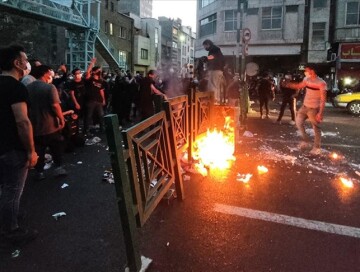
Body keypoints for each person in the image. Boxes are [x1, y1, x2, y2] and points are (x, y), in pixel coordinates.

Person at [0, 44, 39, 246]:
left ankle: (9, 216)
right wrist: (31, 150)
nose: (27, 63)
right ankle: (10, 230)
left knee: (4, 187)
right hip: (13, 148)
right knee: (12, 189)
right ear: (17, 63)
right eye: (24, 60)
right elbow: (22, 121)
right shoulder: (16, 87)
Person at [27, 65, 67, 180]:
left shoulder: (27, 88)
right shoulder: (50, 88)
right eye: (49, 71)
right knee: (56, 147)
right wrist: (61, 118)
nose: (51, 74)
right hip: (50, 125)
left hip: (34, 125)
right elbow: (55, 105)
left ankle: (39, 172)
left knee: (39, 149)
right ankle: (58, 168)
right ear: (44, 73)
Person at [285, 65, 327, 155]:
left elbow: (323, 99)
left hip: (314, 109)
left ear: (312, 71)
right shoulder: (306, 79)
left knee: (316, 128)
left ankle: (317, 147)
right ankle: (306, 141)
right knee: (298, 122)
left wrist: (320, 113)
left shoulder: (321, 83)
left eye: (306, 70)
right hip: (304, 107)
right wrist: (289, 85)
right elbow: (299, 86)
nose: (305, 72)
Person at [84, 58, 106, 134]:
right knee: (89, 116)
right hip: (91, 100)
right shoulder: (90, 79)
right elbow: (87, 72)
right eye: (98, 70)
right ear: (94, 71)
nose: (99, 71)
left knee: (101, 115)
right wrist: (92, 63)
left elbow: (101, 91)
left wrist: (103, 100)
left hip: (99, 100)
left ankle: (102, 129)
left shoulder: (100, 80)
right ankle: (86, 130)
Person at [202, 39, 226, 104]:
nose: (204, 48)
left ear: (208, 44)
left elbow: (213, 57)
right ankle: (217, 100)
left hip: (215, 70)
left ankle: (213, 100)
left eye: (205, 46)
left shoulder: (214, 49)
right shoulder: (217, 50)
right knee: (217, 86)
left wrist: (206, 58)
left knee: (212, 85)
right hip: (219, 70)